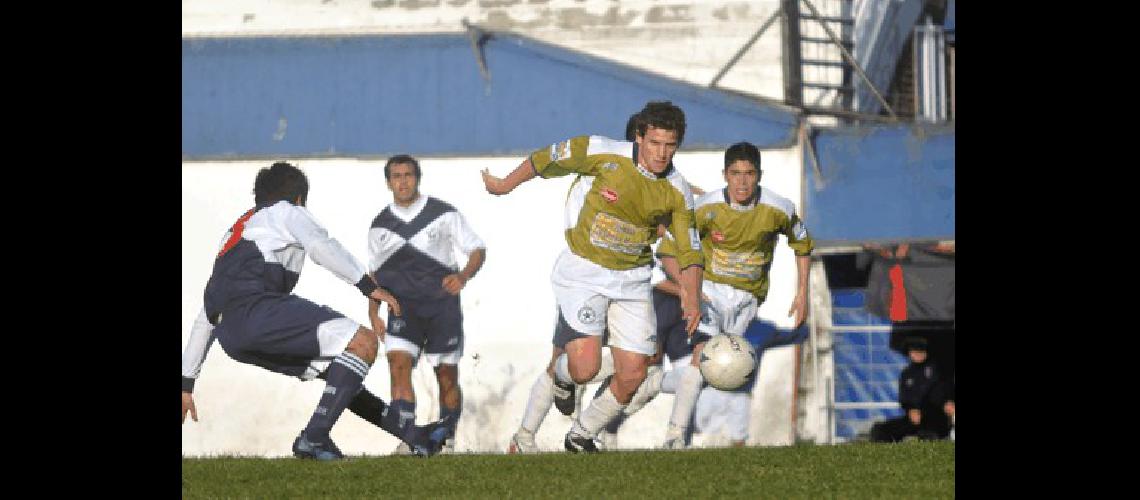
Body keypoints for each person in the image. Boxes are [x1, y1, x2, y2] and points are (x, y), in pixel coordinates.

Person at [181, 161, 451, 461]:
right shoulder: (285, 211)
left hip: (231, 336)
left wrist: (186, 383)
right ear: (298, 198)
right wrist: (366, 285)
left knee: (339, 371)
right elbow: (320, 245)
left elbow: (206, 315)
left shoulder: (235, 235)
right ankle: (314, 438)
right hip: (256, 311)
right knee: (363, 343)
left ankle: (415, 437)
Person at [484, 100, 705, 453]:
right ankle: (553, 391)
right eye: (655, 143)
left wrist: (691, 295)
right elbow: (546, 159)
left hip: (632, 278)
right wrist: (505, 185)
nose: (661, 153)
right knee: (584, 368)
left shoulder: (678, 190)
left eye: (670, 145)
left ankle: (581, 435)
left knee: (634, 373)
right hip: (583, 272)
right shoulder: (601, 152)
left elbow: (690, 248)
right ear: (639, 137)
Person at [652, 141, 814, 448]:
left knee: (718, 372)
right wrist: (690, 291)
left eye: (749, 174)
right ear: (725, 175)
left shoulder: (778, 208)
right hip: (710, 292)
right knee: (703, 359)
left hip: (748, 299)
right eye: (735, 173)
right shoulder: (705, 208)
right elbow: (667, 251)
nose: (742, 181)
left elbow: (802, 245)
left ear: (759, 175)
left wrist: (802, 292)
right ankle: (674, 438)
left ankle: (653, 383)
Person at [367, 154, 487, 454]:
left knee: (446, 375)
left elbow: (477, 249)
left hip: (440, 308)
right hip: (402, 309)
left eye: (408, 175)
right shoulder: (379, 226)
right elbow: (373, 276)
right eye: (396, 176)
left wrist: (463, 276)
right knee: (398, 364)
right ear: (388, 182)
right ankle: (410, 439)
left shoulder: (443, 213)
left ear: (417, 178)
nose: (403, 181)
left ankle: (445, 438)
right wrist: (374, 314)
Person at [869, 336, 952, 442]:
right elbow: (904, 398)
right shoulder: (907, 374)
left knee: (928, 434)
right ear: (909, 353)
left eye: (921, 350)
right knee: (881, 430)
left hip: (935, 418)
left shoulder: (938, 370)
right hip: (914, 417)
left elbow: (940, 393)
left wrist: (945, 403)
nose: (918, 354)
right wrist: (910, 410)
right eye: (914, 351)